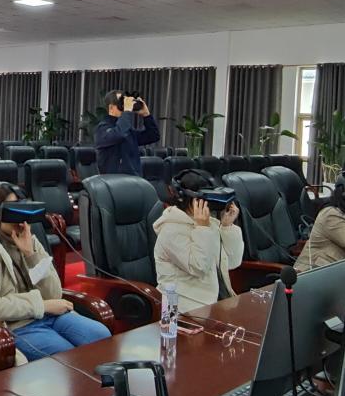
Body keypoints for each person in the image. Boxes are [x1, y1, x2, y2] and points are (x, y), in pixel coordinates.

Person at [0, 183, 111, 360]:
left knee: (101, 335)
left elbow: (54, 293)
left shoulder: (30, 241)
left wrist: (31, 255)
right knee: (65, 354)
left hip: (50, 316)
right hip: (17, 326)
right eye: (13, 211)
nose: (20, 220)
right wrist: (41, 305)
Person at [153, 169, 243, 311]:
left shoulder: (207, 223)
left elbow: (233, 262)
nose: (208, 204)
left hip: (213, 302)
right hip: (181, 308)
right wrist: (202, 229)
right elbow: (199, 267)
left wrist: (227, 227)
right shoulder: (170, 230)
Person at [95, 89, 160, 175]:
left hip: (133, 179)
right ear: (111, 108)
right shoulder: (102, 129)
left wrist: (146, 115)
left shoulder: (128, 130)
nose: (125, 106)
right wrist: (127, 111)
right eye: (121, 103)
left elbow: (154, 135)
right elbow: (119, 134)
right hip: (113, 181)